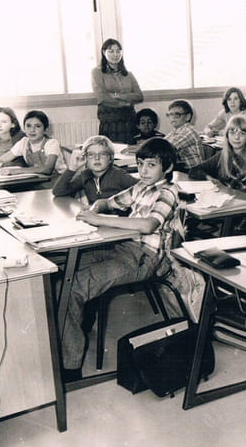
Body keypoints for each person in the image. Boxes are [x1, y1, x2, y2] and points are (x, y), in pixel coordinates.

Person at [60, 137, 180, 381]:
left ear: (167, 167)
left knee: (73, 287)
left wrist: (100, 220)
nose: (143, 171)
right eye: (140, 164)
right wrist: (96, 209)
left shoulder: (168, 192)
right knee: (63, 271)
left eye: (151, 165)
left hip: (145, 258)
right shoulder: (141, 187)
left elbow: (148, 225)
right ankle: (75, 329)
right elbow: (108, 202)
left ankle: (70, 366)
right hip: (123, 247)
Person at [188, 114, 246, 197]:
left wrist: (226, 191)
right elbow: (194, 170)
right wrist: (209, 178)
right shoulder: (223, 155)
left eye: (242, 133)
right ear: (227, 135)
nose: (236, 137)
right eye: (232, 132)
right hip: (224, 199)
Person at [53, 135, 136, 204]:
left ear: (110, 158)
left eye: (102, 154)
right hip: (95, 216)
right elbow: (58, 191)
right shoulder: (85, 175)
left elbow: (142, 189)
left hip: (118, 216)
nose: (97, 158)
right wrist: (72, 168)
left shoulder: (119, 175)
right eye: (91, 154)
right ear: (85, 158)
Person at [91, 38, 143, 144]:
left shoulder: (128, 74)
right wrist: (126, 102)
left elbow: (139, 96)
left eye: (118, 51)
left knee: (130, 149)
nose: (115, 54)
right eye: (111, 51)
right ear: (103, 52)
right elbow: (102, 97)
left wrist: (117, 95)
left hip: (129, 119)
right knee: (112, 150)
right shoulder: (97, 72)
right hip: (110, 120)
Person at [0, 110, 64, 175]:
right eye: (28, 126)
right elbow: (3, 158)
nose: (32, 130)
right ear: (24, 128)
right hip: (39, 178)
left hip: (58, 179)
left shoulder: (52, 143)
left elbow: (47, 169)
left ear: (45, 129)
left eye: (37, 126)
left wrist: (14, 171)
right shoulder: (24, 142)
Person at [164, 99, 205, 171]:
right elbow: (161, 143)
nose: (172, 117)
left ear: (187, 117)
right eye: (170, 114)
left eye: (177, 115)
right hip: (183, 170)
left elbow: (167, 147)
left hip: (195, 172)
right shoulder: (175, 131)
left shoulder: (189, 132)